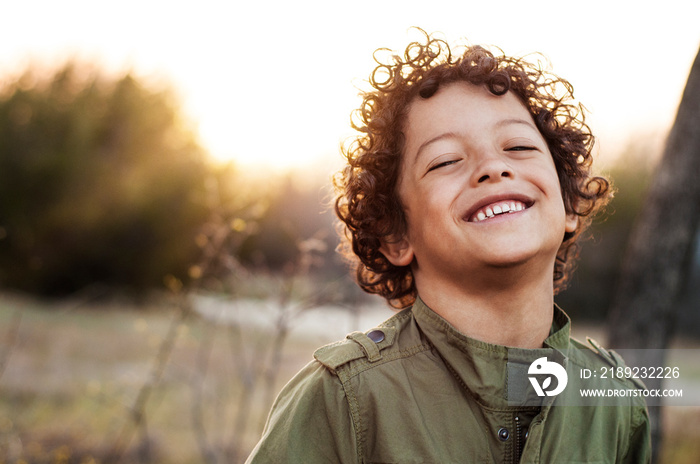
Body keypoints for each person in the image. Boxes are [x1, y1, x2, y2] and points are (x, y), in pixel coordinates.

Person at [246, 29, 651, 463]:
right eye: (446, 161)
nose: (493, 167)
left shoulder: (617, 401)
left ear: (569, 203)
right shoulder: (343, 401)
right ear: (397, 236)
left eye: (518, 146)